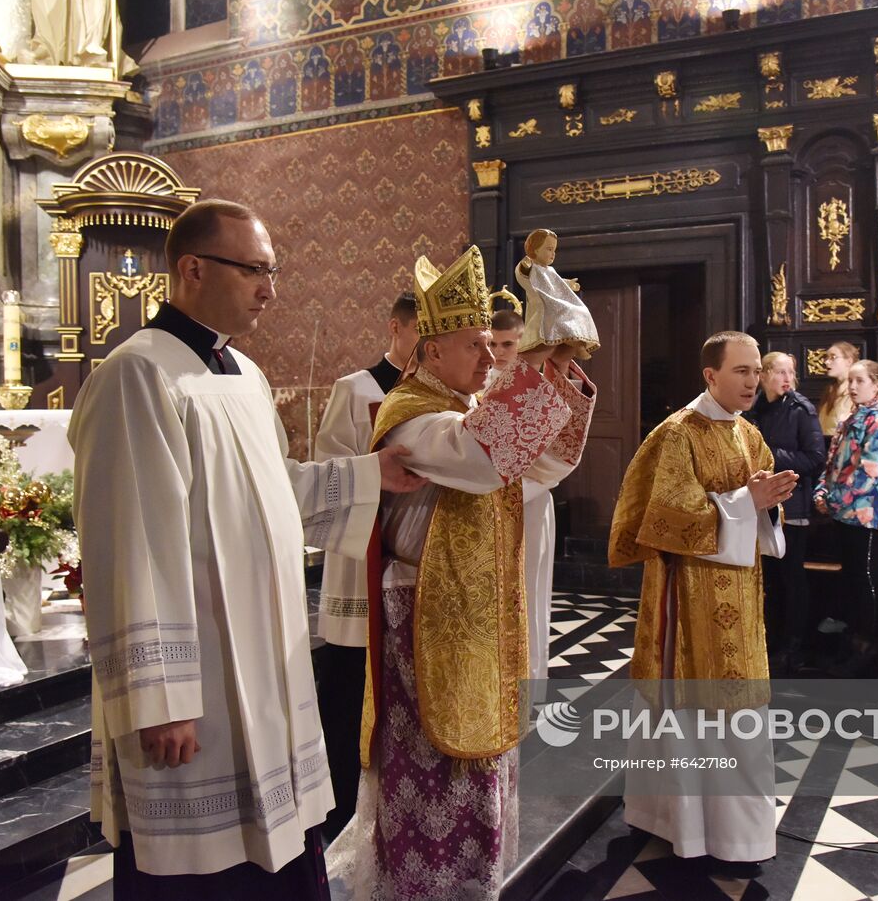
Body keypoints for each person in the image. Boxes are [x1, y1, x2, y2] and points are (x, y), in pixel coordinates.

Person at [68, 199, 426, 898]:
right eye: (255, 270)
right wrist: (159, 695)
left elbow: (270, 496)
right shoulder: (139, 374)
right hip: (196, 688)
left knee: (279, 851)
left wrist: (366, 475)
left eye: (273, 271)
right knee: (200, 871)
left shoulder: (245, 374)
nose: (270, 289)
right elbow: (131, 546)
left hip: (265, 667)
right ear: (193, 269)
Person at [329, 245, 594, 900]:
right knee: (430, 770)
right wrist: (529, 368)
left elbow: (540, 467)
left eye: (491, 344)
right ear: (431, 349)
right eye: (474, 344)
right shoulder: (412, 414)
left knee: (475, 769)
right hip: (420, 618)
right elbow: (480, 454)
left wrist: (555, 375)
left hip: (470, 615)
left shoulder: (464, 409)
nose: (488, 356)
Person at [609, 331, 797, 862]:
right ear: (710, 375)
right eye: (741, 371)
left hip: (739, 596)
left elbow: (761, 519)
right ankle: (679, 823)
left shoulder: (747, 433)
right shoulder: (678, 434)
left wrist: (768, 503)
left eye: (757, 371)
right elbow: (664, 521)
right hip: (687, 600)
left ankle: (738, 833)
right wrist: (745, 501)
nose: (752, 381)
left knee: (740, 711)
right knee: (692, 711)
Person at [312, 292, 418, 840]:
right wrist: (373, 476)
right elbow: (328, 464)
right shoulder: (357, 390)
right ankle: (338, 797)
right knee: (350, 679)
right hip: (362, 556)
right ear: (394, 327)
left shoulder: (440, 396)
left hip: (413, 561)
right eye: (419, 331)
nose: (427, 344)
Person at [485, 307, 585, 691]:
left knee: (530, 595)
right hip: (490, 505)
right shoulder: (479, 388)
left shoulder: (541, 387)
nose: (498, 352)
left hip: (530, 501)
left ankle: (528, 686)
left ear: (524, 341)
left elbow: (554, 452)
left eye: (508, 343)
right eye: (491, 343)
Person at [814, 359, 878, 675]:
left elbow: (870, 472)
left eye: (859, 381)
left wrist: (835, 500)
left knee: (865, 580)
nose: (852, 387)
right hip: (843, 512)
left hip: (865, 513)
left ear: (877, 384)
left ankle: (868, 645)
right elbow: (833, 462)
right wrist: (822, 491)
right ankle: (850, 642)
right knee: (850, 578)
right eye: (850, 381)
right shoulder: (853, 418)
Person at [748, 350, 825, 672]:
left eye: (791, 372)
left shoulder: (801, 409)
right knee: (770, 580)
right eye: (780, 372)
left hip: (792, 506)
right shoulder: (755, 408)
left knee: (792, 579)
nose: (787, 379)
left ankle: (794, 646)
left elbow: (815, 458)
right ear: (763, 374)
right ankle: (771, 639)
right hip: (762, 506)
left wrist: (769, 455)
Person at [514, 228, 600, 359]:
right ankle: (577, 344)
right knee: (563, 309)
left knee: (580, 310)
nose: (553, 254)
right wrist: (525, 264)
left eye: (554, 250)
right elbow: (522, 273)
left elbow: (557, 283)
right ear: (535, 249)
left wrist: (570, 284)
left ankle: (579, 342)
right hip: (543, 302)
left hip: (554, 300)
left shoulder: (550, 270)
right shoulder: (531, 267)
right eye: (549, 249)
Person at [816, 341, 860, 438]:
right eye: (826, 357)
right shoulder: (829, 391)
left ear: (849, 361)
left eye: (833, 357)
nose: (826, 362)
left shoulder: (857, 393)